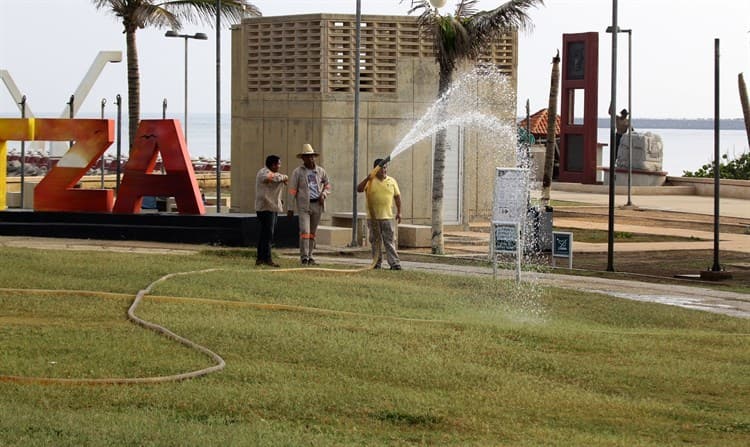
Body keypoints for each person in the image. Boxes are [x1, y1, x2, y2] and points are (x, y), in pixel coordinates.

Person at [288, 143, 331, 266]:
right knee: (305, 231)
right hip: (304, 206)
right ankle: (304, 257)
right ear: (303, 158)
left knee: (312, 232)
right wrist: (290, 208)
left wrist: (324, 194)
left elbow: (327, 185)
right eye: (307, 157)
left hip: (317, 205)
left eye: (312, 156)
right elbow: (292, 190)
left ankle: (311, 256)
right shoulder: (298, 172)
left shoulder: (320, 171)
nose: (310, 159)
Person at [357, 158, 402, 270]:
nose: (384, 170)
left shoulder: (392, 181)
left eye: (385, 168)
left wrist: (399, 212)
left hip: (387, 217)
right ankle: (376, 263)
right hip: (373, 218)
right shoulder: (370, 182)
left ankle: (395, 264)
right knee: (375, 241)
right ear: (375, 170)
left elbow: (397, 197)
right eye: (381, 168)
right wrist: (368, 178)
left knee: (389, 241)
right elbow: (359, 189)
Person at [255, 154, 288, 267]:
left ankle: (261, 258)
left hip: (272, 207)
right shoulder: (263, 172)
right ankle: (266, 259)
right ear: (273, 165)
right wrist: (284, 177)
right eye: (278, 164)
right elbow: (273, 177)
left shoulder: (273, 173)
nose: (280, 166)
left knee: (266, 234)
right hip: (265, 208)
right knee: (268, 234)